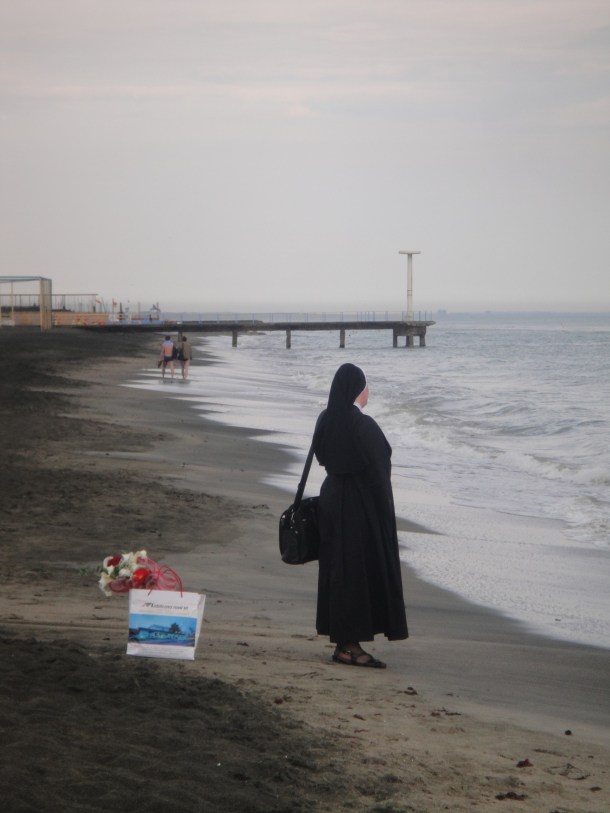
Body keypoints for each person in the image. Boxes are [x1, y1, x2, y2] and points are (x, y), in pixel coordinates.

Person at [312, 363, 408, 668]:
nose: (368, 392)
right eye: (365, 386)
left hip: (331, 498)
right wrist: (384, 511)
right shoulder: (362, 425)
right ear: (357, 389)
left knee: (337, 572)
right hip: (359, 504)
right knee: (356, 572)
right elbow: (380, 469)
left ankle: (344, 641)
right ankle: (349, 646)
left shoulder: (326, 419)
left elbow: (323, 456)